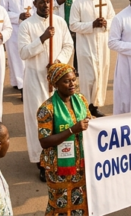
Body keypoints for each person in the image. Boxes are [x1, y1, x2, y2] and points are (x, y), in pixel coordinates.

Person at [19, 0, 73, 180]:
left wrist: (58, 63)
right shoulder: (26, 25)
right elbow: (23, 53)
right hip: (35, 79)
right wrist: (42, 38)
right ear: (35, 3)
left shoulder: (59, 21)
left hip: (57, 81)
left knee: (58, 118)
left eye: (49, 2)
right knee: (39, 119)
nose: (46, 5)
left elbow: (68, 45)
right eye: (42, 2)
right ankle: (41, 161)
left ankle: (59, 157)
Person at [38, 63, 91, 215]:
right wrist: (72, 130)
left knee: (81, 200)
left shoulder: (81, 99)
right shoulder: (47, 109)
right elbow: (44, 141)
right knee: (61, 204)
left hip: (80, 162)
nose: (72, 84)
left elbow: (89, 120)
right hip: (58, 168)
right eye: (66, 81)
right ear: (55, 84)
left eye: (74, 80)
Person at [69, 0, 115, 118]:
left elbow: (114, 20)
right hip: (85, 46)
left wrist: (106, 23)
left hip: (102, 45)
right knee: (88, 77)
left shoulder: (105, 1)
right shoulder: (78, 3)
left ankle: (95, 105)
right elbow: (73, 25)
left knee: (101, 74)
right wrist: (92, 25)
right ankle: (85, 106)